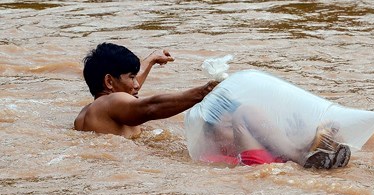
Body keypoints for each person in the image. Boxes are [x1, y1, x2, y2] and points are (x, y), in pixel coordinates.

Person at [74, 42, 218, 137]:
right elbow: (151, 107)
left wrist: (152, 59)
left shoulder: (89, 110)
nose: (137, 85)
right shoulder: (111, 102)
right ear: (109, 81)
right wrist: (205, 91)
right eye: (131, 77)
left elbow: (127, 92)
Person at [199, 102, 351, 169]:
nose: (237, 132)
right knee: (244, 111)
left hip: (280, 164)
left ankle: (321, 149)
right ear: (213, 137)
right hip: (254, 165)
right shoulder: (212, 159)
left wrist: (294, 136)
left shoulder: (263, 142)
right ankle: (301, 154)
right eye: (230, 127)